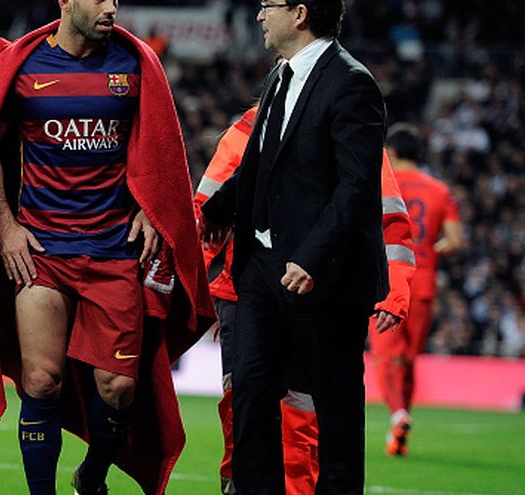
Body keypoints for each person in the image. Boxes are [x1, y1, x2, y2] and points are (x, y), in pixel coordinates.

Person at [0, 1, 214, 494]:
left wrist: (151, 206)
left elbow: (157, 150)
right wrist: (5, 226)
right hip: (42, 251)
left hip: (115, 250)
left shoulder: (135, 65)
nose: (111, 7)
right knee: (41, 381)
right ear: (66, 2)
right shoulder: (24, 65)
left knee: (120, 388)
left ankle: (91, 476)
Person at [199, 0, 388, 492]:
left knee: (335, 404)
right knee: (251, 394)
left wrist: (311, 256)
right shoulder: (280, 77)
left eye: (267, 5)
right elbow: (259, 163)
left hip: (322, 275)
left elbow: (356, 185)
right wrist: (216, 210)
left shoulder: (352, 83)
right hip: (263, 268)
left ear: (300, 13)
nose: (259, 16)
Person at [195, 106, 415, 494]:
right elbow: (207, 212)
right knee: (247, 413)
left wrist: (395, 289)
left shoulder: (342, 119)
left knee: (291, 418)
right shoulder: (258, 123)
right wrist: (188, 281)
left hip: (311, 293)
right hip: (249, 292)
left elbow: (386, 213)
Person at [368, 123, 466, 457]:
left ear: (391, 152)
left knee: (386, 355)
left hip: (385, 278)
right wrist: (427, 252)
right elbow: (455, 240)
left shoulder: (381, 183)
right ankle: (400, 431)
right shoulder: (440, 190)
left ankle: (398, 414)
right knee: (408, 360)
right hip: (423, 282)